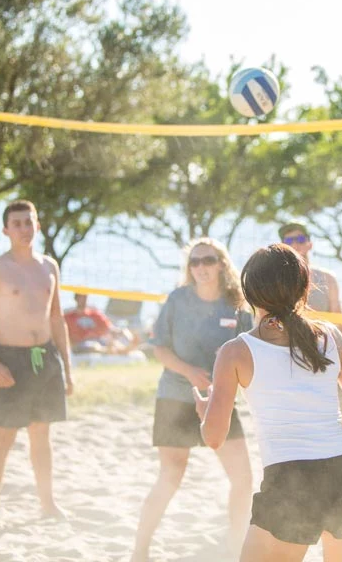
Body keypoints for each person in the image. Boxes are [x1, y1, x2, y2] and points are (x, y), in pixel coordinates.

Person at [195, 243, 342, 561]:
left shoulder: (235, 351)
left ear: (249, 292)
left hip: (292, 482)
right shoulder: (331, 335)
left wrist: (204, 411)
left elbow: (213, 438)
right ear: (303, 288)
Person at [132, 237, 253, 562]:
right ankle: (140, 550)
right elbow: (159, 348)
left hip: (221, 399)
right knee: (171, 475)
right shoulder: (177, 299)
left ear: (221, 264)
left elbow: (250, 351)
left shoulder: (237, 304)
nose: (201, 267)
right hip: (177, 395)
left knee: (243, 479)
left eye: (208, 260)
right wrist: (190, 372)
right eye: (194, 262)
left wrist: (228, 365)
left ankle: (235, 544)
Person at [0, 200, 73, 530]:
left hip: (44, 358)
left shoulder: (49, 267)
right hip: (9, 360)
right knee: (3, 438)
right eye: (17, 224)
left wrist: (68, 369)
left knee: (41, 436)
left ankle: (47, 504)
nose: (24, 229)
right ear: (5, 230)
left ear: (37, 225)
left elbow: (57, 319)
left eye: (28, 222)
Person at [278, 221, 342, 349]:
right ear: (282, 246)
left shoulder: (328, 278)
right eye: (289, 241)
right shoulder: (277, 279)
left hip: (322, 347)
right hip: (288, 348)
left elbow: (340, 321)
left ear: (310, 244)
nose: (295, 244)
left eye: (300, 239)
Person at [63, 293, 139, 354]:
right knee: (91, 346)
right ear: (76, 299)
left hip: (99, 340)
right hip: (82, 343)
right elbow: (67, 336)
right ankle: (108, 351)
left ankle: (122, 350)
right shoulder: (68, 317)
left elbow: (109, 328)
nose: (84, 300)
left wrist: (121, 333)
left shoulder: (95, 314)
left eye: (85, 297)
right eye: (82, 297)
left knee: (112, 342)